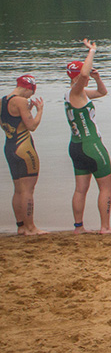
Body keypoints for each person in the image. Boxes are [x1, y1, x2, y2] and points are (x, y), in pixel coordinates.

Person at [65, 39, 111, 234]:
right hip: (91, 145)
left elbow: (102, 92)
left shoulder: (74, 94)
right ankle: (105, 226)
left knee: (81, 188)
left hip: (76, 145)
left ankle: (78, 227)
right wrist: (92, 51)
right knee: (105, 186)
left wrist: (97, 78)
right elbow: (83, 74)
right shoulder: (76, 91)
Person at [4, 75, 46, 235]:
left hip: (9, 147)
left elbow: (11, 122)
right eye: (32, 93)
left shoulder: (3, 101)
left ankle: (21, 226)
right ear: (29, 88)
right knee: (28, 190)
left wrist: (26, 111)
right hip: (24, 148)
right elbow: (32, 126)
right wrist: (39, 110)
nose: (31, 97)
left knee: (18, 189)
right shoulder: (20, 101)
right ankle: (31, 228)